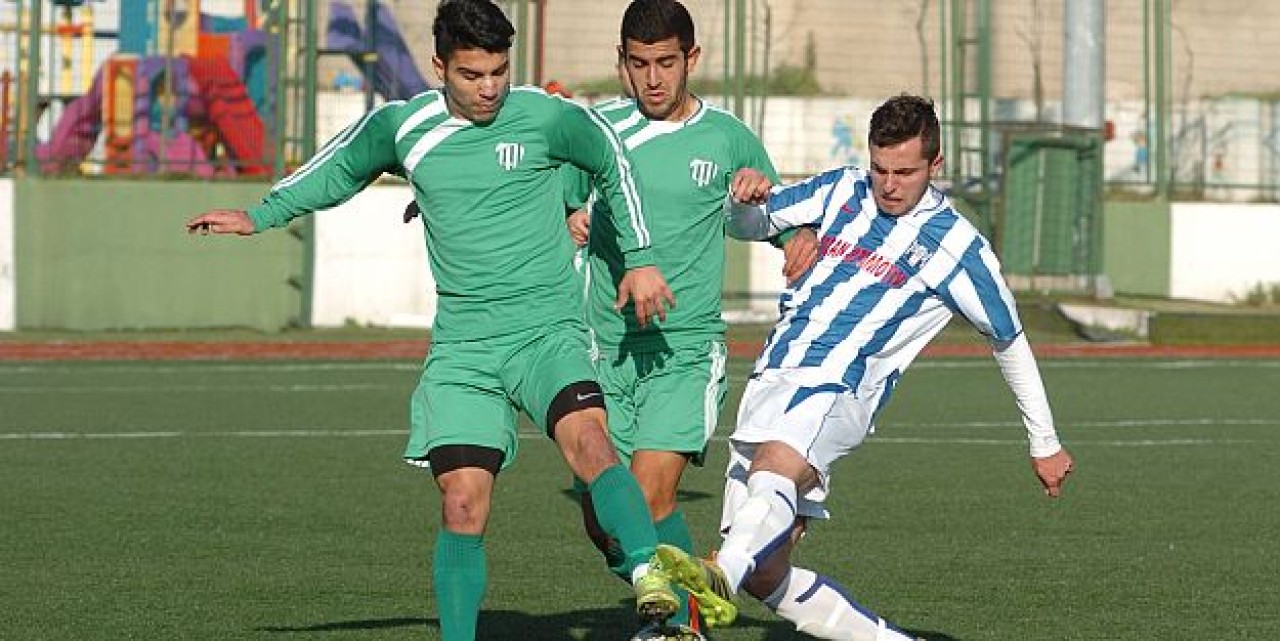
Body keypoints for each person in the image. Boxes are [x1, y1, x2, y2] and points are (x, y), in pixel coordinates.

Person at [184, 1, 683, 639]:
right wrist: (261, 214)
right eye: (473, 74)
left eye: (500, 71)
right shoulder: (405, 127)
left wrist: (638, 258)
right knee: (461, 504)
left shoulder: (545, 117)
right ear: (440, 66)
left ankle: (649, 576)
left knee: (591, 445)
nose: (490, 88)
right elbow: (339, 169)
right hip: (464, 349)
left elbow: (612, 158)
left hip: (546, 333)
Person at [655, 94, 1076, 640]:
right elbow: (748, 222)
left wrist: (1044, 440)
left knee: (773, 476)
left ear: (935, 165)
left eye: (905, 171)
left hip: (841, 389)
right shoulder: (840, 189)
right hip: (772, 378)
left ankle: (715, 581)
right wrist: (746, 196)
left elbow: (1009, 340)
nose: (889, 184)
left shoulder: (958, 247)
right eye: (880, 168)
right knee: (767, 571)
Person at [560, 0, 817, 630]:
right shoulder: (597, 134)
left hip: (684, 348)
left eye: (667, 63)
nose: (653, 78)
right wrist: (567, 216)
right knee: (606, 521)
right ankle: (688, 607)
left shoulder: (727, 137)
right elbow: (555, 204)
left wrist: (782, 225)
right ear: (621, 62)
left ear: (691, 60)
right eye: (640, 63)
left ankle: (672, 624)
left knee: (644, 496)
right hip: (606, 349)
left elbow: (784, 223)